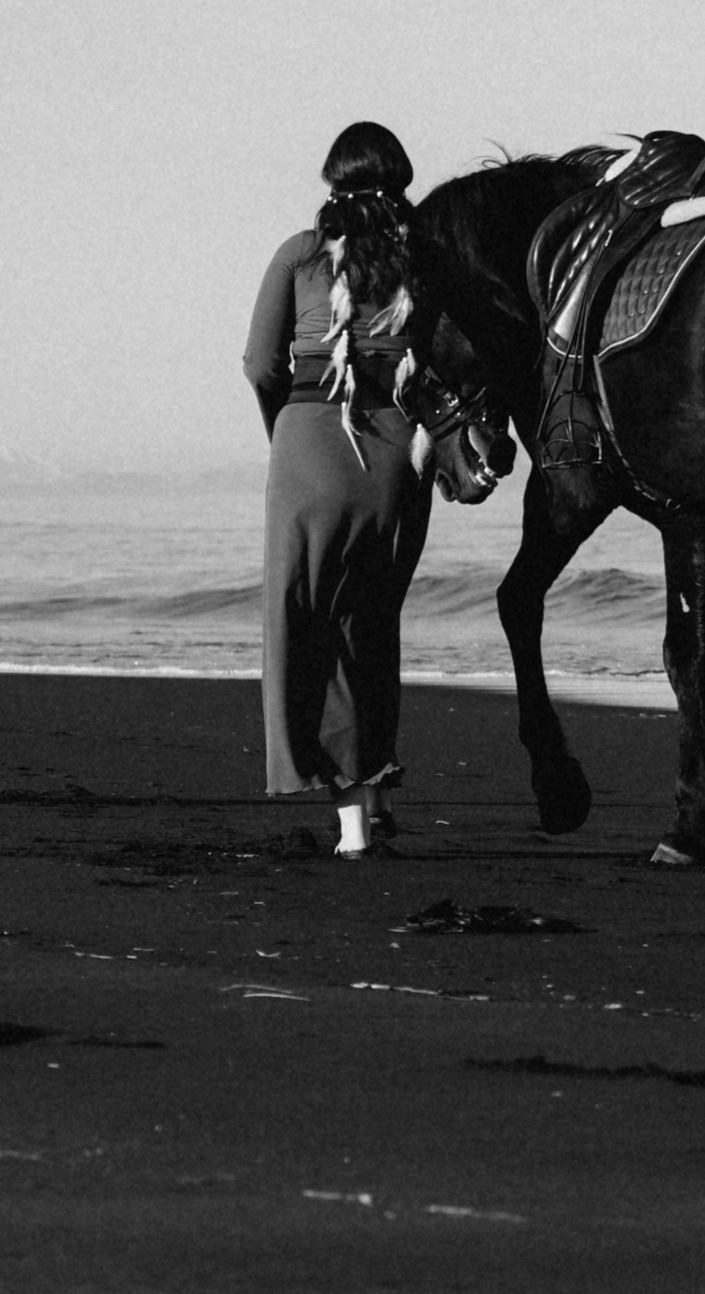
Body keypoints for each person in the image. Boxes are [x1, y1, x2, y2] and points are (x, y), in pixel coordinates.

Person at [242, 121, 430, 859]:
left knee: (301, 626)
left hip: (306, 443)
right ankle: (369, 801)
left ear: (331, 182)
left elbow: (261, 362)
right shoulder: (422, 256)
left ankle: (344, 815)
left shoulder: (300, 252)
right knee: (370, 627)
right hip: (391, 452)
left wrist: (288, 432)